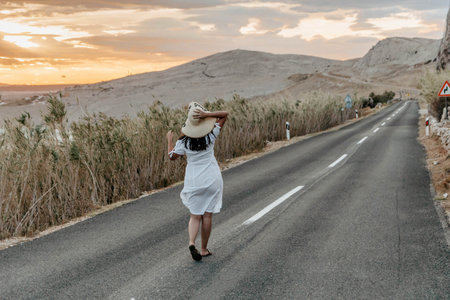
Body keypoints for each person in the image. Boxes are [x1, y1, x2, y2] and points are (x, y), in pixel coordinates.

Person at [167, 102, 228, 261]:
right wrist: (207, 115)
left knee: (195, 216)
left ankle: (191, 242)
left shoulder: (183, 142)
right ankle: (203, 249)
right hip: (211, 178)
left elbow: (171, 157)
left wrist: (169, 140)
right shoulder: (211, 135)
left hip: (194, 180)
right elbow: (224, 114)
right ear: (202, 121)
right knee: (207, 216)